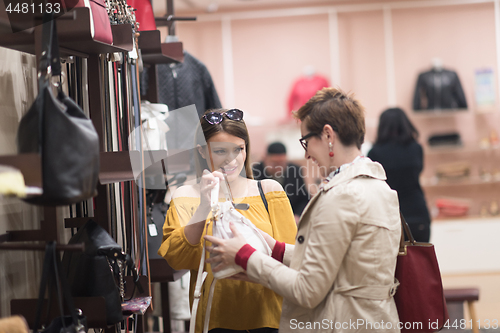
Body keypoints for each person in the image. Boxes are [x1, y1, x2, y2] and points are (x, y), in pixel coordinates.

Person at [204, 88, 402, 333]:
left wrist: (245, 256)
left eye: (306, 141)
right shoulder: (378, 185)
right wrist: (275, 248)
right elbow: (341, 262)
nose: (306, 153)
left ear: (328, 135)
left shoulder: (341, 196)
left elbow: (307, 291)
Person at [158, 108, 298, 333]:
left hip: (270, 316)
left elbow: (292, 258)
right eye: (221, 150)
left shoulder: (270, 191)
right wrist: (204, 205)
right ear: (202, 151)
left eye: (239, 149)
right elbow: (178, 258)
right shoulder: (185, 196)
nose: (231, 159)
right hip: (214, 319)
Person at [368, 107, 431, 242]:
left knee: (393, 262)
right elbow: (419, 170)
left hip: (388, 216)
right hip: (418, 213)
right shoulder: (416, 149)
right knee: (420, 260)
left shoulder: (374, 153)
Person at [252, 142, 310, 220]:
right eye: (274, 163)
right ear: (265, 158)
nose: (278, 167)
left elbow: (303, 198)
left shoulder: (295, 170)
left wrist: (297, 215)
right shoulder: (254, 172)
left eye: (282, 163)